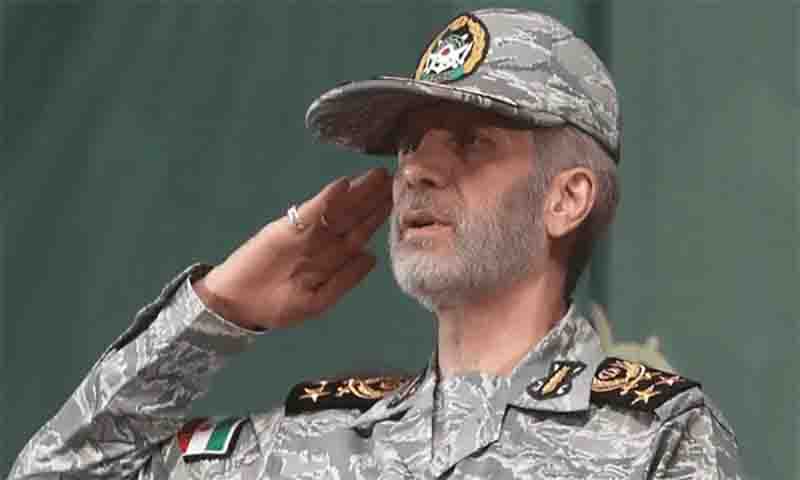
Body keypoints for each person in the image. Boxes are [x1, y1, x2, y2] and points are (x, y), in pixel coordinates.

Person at [9, 8, 743, 479]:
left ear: (567, 199)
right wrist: (218, 310)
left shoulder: (651, 437)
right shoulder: (312, 444)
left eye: (471, 142)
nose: (417, 170)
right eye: (410, 144)